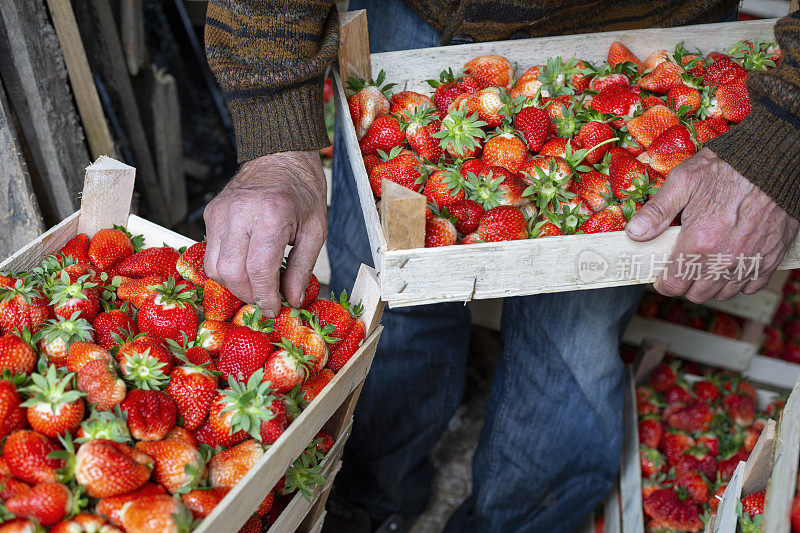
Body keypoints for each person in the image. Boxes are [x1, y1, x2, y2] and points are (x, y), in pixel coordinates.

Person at [203, 2, 800, 531]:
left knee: (572, 350)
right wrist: (274, 123)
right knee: (387, 314)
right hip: (415, 13)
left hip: (643, 26)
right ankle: (364, 498)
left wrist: (784, 135)